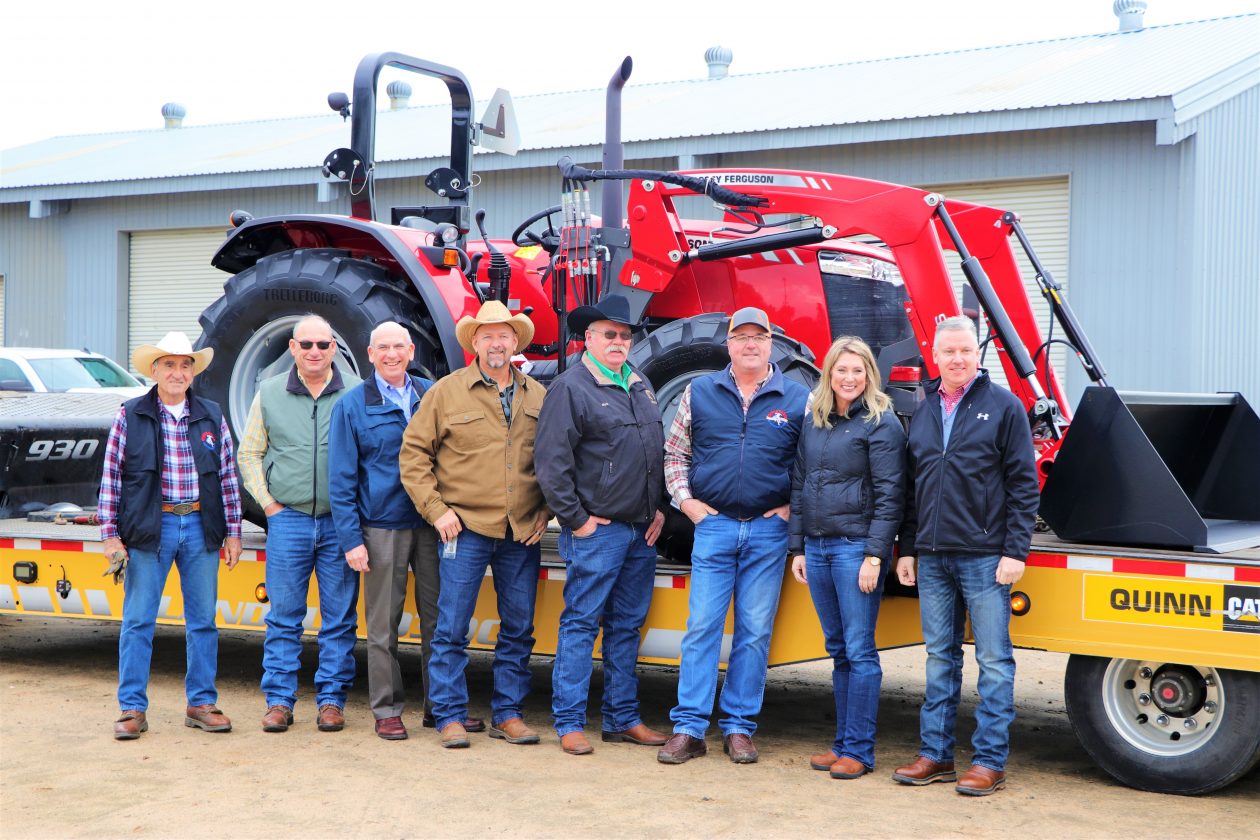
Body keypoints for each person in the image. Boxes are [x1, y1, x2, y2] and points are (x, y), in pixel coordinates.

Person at [892, 315, 1039, 796]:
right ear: (934, 356)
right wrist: (908, 549)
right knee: (939, 658)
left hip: (984, 557)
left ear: (978, 355)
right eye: (948, 352)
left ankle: (989, 761)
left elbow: (1023, 485)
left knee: (994, 662)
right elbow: (914, 488)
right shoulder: (925, 408)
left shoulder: (1004, 407)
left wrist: (1015, 550)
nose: (957, 360)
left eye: (966, 352)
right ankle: (935, 755)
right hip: (932, 558)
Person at [657, 307, 810, 765]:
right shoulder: (699, 391)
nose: (749, 344)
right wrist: (687, 503)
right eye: (740, 337)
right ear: (728, 344)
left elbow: (812, 464)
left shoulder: (798, 398)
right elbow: (674, 455)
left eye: (758, 337)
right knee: (702, 627)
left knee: (753, 632)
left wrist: (791, 507)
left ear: (770, 343)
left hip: (768, 532)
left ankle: (740, 727)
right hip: (715, 526)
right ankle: (689, 728)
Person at [399, 301, 549, 749]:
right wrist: (436, 510)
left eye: (504, 335)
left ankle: (509, 713)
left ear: (515, 342)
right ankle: (449, 715)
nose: (496, 343)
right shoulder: (445, 392)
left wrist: (546, 512)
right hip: (463, 528)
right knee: (451, 627)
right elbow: (413, 456)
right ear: (475, 343)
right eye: (487, 336)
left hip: (522, 531)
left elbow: (553, 462)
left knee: (519, 627)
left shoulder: (538, 395)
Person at [535, 295, 668, 756]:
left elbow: (654, 452)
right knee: (581, 624)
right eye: (608, 334)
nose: (618, 341)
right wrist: (577, 520)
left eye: (624, 335)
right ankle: (569, 722)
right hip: (599, 533)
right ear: (588, 339)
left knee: (627, 626)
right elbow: (551, 463)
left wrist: (658, 509)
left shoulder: (639, 382)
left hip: (639, 531)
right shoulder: (571, 388)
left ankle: (621, 718)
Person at [100, 331, 243, 740]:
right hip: (150, 529)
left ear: (193, 372)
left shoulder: (212, 415)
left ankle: (201, 702)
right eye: (169, 364)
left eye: (185, 365)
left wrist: (233, 532)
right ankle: (132, 708)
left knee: (203, 622)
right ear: (155, 370)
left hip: (200, 526)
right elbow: (111, 477)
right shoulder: (131, 414)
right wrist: (110, 535)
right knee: (138, 620)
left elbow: (228, 478)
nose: (177, 372)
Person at [238, 314, 361, 733]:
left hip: (339, 523)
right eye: (306, 344)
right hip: (287, 520)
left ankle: (331, 701)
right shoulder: (268, 393)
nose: (314, 352)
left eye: (323, 345)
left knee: (340, 619)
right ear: (292, 348)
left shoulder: (356, 395)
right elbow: (249, 453)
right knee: (284, 616)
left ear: (334, 349)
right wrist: (269, 506)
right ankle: (279, 701)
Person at [789, 336, 905, 779]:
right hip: (817, 549)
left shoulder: (881, 423)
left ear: (869, 375)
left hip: (854, 549)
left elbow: (891, 495)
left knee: (860, 651)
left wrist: (875, 556)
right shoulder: (815, 419)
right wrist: (797, 547)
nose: (850, 378)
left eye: (858, 371)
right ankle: (841, 744)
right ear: (829, 374)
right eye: (842, 370)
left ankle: (859, 750)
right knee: (838, 649)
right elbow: (799, 484)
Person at [328, 322, 439, 741]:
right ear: (370, 354)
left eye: (399, 346)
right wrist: (352, 540)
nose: (392, 354)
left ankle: (440, 707)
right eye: (383, 348)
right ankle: (387, 710)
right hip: (381, 528)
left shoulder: (431, 395)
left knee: (439, 623)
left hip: (431, 524)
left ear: (411, 351)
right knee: (381, 627)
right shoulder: (352, 405)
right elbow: (340, 480)